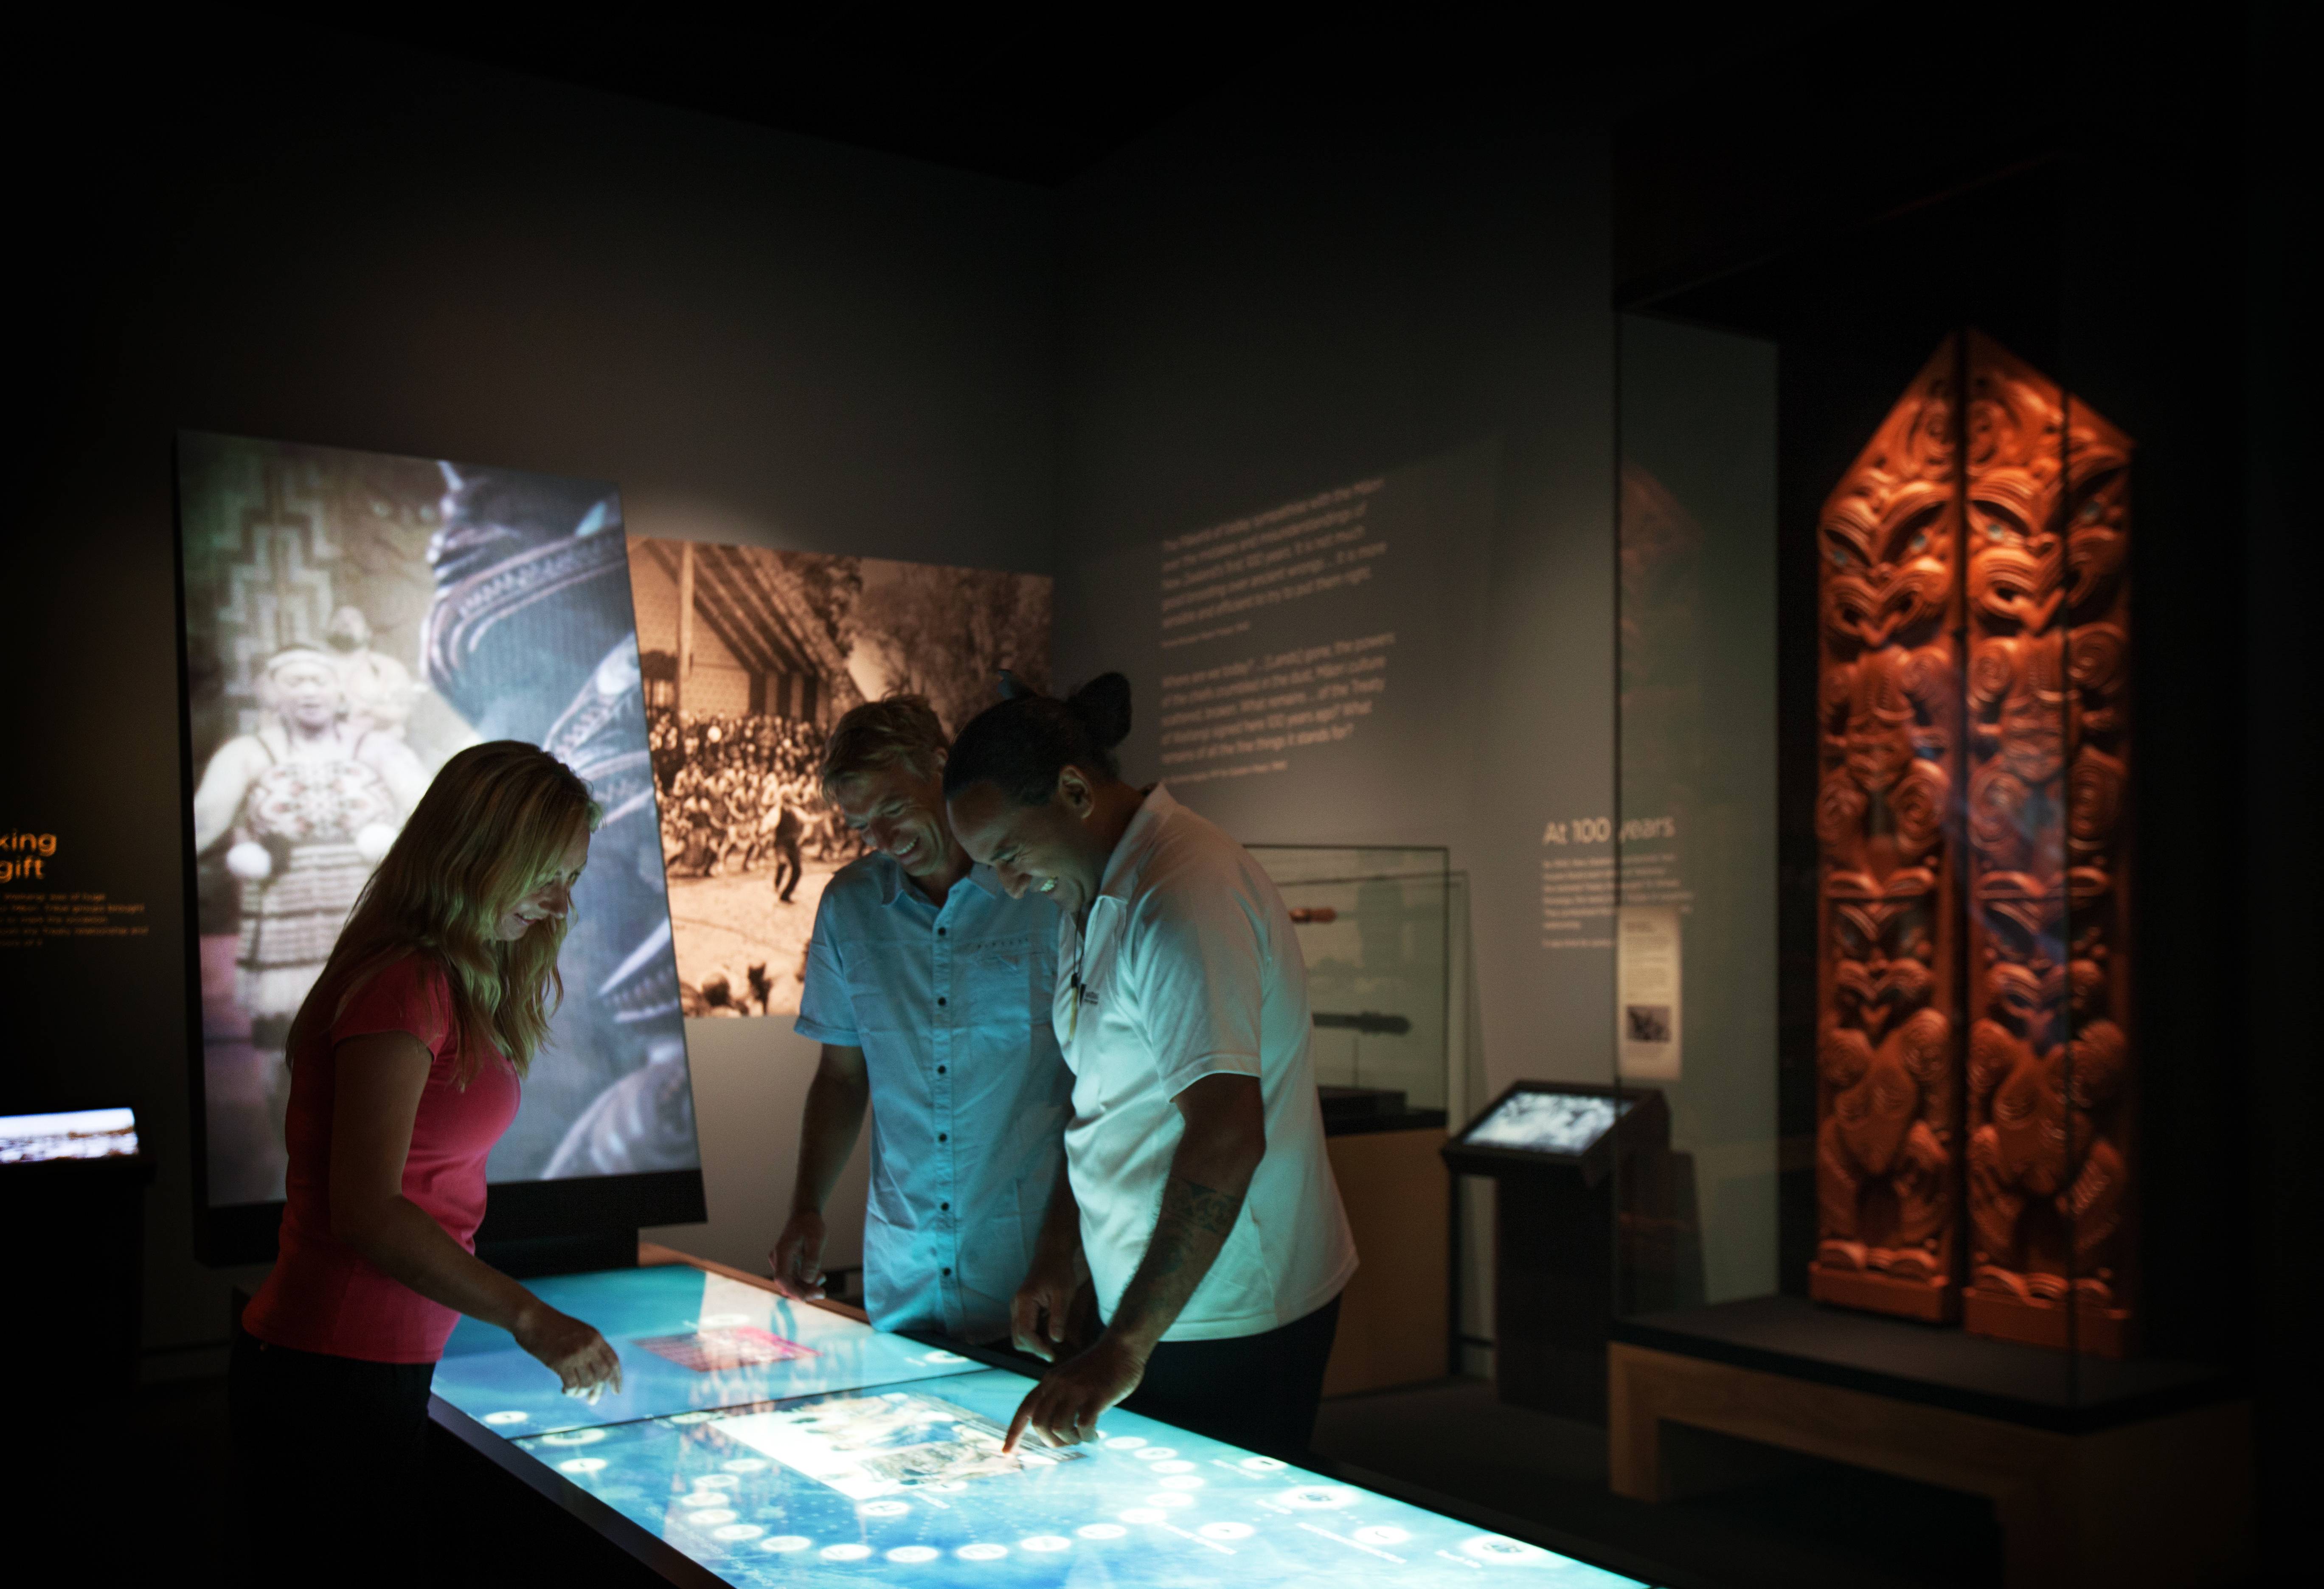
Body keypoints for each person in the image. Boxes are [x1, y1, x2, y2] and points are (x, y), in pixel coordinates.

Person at [230, 741, 624, 1585]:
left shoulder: (448, 977)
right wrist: (530, 1318)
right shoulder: (403, 983)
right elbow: (367, 1210)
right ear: (477, 852)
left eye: (571, 877)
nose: (560, 902)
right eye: (545, 875)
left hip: (370, 1366)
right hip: (330, 1368)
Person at [944, 674, 1357, 1460]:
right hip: (1162, 1307)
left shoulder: (1182, 893)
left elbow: (1227, 1135)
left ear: (1074, 791)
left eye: (1010, 853)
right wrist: (1060, 1252)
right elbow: (1103, 1103)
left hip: (1230, 1311)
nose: (1011, 884)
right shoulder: (1093, 888)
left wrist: (1126, 1345)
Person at [768, 694, 1071, 1345]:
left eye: (893, 809)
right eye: (861, 826)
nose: (882, 840)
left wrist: (1062, 1251)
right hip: (903, 1282)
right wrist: (805, 1208)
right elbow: (841, 1076)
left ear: (941, 765)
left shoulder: (1041, 896)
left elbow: (1095, 1090)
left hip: (1031, 1278)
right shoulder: (847, 907)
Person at [191, 645, 430, 1048]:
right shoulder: (247, 753)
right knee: (287, 1049)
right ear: (274, 694)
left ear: (338, 690)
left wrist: (395, 847)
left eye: (318, 681)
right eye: (295, 682)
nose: (309, 692)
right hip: (284, 923)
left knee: (374, 1039)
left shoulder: (377, 748)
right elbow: (203, 823)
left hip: (366, 915)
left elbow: (431, 811)